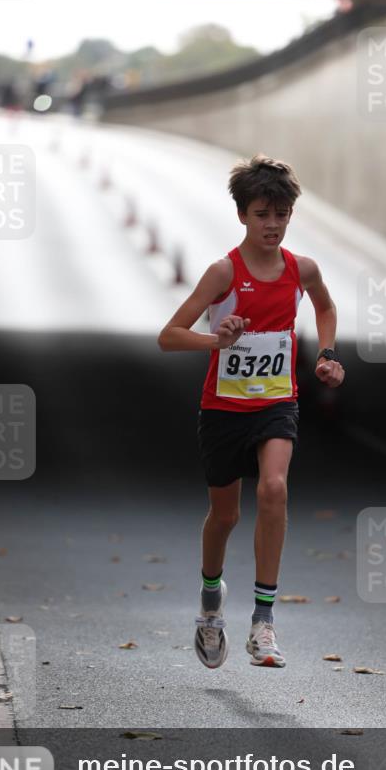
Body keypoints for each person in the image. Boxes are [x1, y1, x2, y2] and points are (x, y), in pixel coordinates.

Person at [157, 154, 345, 669]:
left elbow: (325, 308)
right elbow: (168, 336)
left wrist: (327, 355)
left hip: (277, 403)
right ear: (243, 215)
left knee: (274, 488)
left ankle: (263, 622)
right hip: (223, 408)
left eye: (282, 214)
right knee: (225, 515)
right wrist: (214, 341)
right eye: (263, 214)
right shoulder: (223, 272)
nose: (273, 224)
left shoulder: (301, 269)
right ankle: (211, 605)